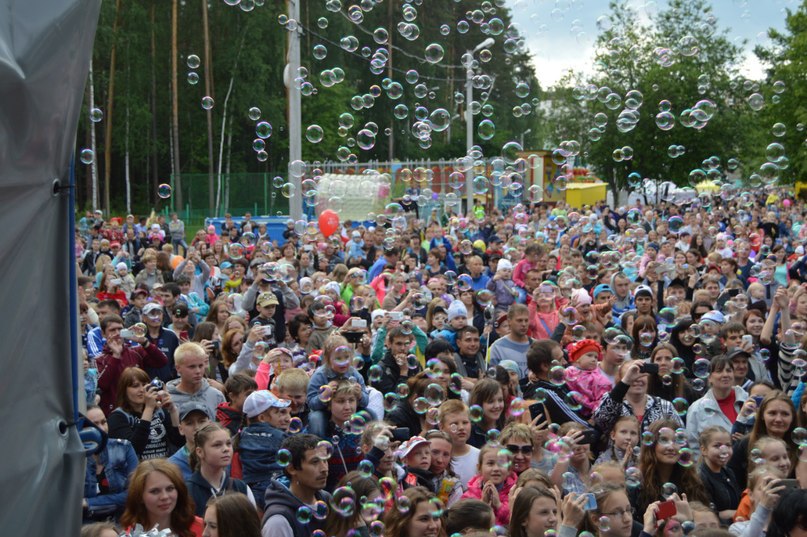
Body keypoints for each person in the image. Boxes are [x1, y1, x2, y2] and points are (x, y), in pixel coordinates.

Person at [96, 313, 169, 415]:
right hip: (116, 413)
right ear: (103, 334)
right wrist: (115, 356)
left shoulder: (136, 352)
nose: (117, 333)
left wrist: (144, 342)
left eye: (120, 329)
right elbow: (102, 385)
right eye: (112, 330)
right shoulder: (100, 359)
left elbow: (162, 361)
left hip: (140, 410)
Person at [261, 434, 331, 537]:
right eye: (315, 462)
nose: (324, 468)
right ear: (292, 469)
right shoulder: (279, 521)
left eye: (325, 460)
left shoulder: (327, 499)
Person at [107, 367, 183, 459]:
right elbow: (133, 449)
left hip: (164, 467)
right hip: (138, 471)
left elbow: (179, 441)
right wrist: (149, 408)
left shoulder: (159, 412)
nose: (142, 390)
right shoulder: (118, 417)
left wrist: (172, 410)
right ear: (124, 390)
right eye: (135, 386)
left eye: (144, 384)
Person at [83, 405, 139, 522]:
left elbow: (134, 494)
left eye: (104, 422)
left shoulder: (124, 448)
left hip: (120, 523)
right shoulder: (74, 458)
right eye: (95, 425)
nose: (102, 429)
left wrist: (89, 503)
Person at [185, 423, 254, 517]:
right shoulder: (187, 491)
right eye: (217, 445)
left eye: (229, 443)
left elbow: (252, 526)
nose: (226, 449)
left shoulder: (241, 487)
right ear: (200, 452)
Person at [120, 459, 203, 537]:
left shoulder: (202, 527)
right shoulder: (130, 534)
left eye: (170, 489)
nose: (165, 497)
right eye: (155, 491)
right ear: (140, 496)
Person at [685, 355, 748, 455]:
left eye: (728, 370)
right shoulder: (697, 409)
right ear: (709, 377)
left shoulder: (747, 401)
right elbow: (693, 447)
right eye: (719, 371)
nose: (725, 375)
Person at [239, 390, 291, 509]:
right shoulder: (279, 436)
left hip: (250, 490)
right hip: (277, 486)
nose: (282, 417)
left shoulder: (242, 434)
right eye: (277, 412)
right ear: (262, 417)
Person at [460, 444, 517, 525]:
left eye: (501, 464)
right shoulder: (469, 496)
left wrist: (499, 506)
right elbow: (463, 522)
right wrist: (482, 504)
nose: (496, 469)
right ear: (479, 468)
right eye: (490, 463)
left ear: (509, 470)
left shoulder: (514, 494)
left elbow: (517, 521)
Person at [166, 342, 226, 417]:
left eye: (201, 366)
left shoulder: (217, 396)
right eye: (192, 367)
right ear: (178, 368)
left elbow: (224, 427)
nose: (198, 371)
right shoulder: (168, 399)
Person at [168, 402, 212, 480]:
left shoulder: (221, 456)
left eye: (202, 421)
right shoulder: (172, 465)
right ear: (180, 429)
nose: (197, 427)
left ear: (210, 424)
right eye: (189, 423)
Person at [489, 304, 533, 377]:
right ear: (509, 321)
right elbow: (494, 378)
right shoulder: (497, 347)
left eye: (526, 320)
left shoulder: (536, 345)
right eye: (519, 320)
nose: (524, 324)